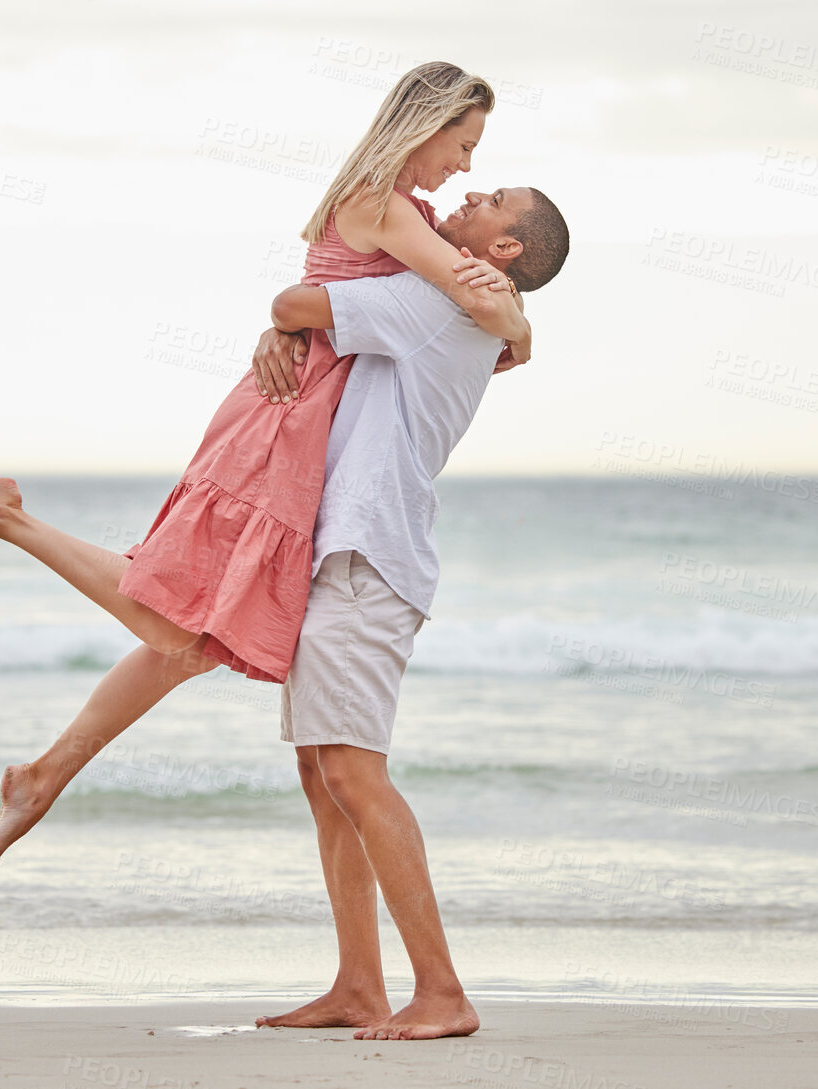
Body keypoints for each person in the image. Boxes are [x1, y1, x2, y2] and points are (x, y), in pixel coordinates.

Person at [0, 61, 528, 877]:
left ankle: (44, 773)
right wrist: (520, 325)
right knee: (176, 615)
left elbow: (363, 303)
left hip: (303, 417)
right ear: (424, 124)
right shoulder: (383, 202)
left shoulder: (400, 207)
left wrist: (292, 322)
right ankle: (5, 522)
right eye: (462, 143)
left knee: (193, 635)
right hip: (283, 419)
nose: (466, 167)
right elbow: (472, 302)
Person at [252, 185, 569, 1042]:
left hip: (366, 559)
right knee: (323, 777)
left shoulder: (433, 301)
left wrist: (281, 324)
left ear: (499, 251)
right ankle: (358, 983)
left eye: (490, 199)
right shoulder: (459, 304)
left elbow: (294, 302)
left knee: (353, 773)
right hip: (352, 554)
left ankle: (442, 991)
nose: (467, 189)